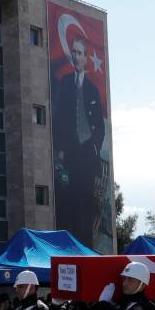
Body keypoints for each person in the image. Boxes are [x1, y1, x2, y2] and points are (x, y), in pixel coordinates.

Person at [51, 34, 108, 245]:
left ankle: (86, 249)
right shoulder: (65, 83)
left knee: (86, 204)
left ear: (86, 58)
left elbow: (99, 127)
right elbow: (58, 119)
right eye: (73, 52)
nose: (76, 56)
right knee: (68, 203)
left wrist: (94, 147)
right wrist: (60, 150)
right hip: (69, 153)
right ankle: (69, 245)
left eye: (80, 53)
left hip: (87, 155)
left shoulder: (93, 89)